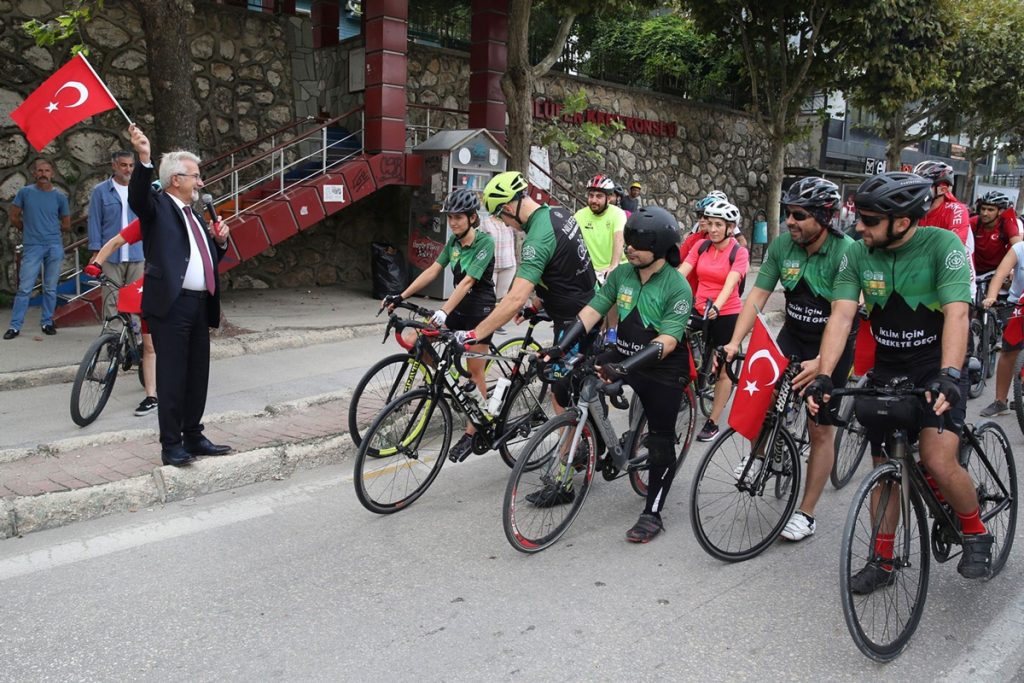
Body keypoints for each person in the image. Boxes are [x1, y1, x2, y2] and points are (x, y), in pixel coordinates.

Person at [806, 171, 993, 591]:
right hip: (889, 368)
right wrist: (824, 376)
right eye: (859, 217)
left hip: (936, 365)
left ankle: (975, 529)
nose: (859, 226)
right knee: (885, 466)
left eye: (870, 220)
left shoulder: (941, 246)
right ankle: (884, 560)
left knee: (938, 458)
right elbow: (841, 315)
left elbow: (957, 314)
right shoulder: (858, 253)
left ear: (903, 222)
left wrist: (949, 374)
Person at [536, 206, 692, 542]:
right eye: (629, 240)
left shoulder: (677, 286)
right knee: (565, 384)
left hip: (663, 366)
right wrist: (560, 348)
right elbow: (593, 311)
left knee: (661, 441)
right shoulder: (622, 274)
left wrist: (623, 369)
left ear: (660, 247)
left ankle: (653, 513)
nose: (629, 247)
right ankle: (592, 444)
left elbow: (667, 340)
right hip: (622, 351)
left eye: (638, 243)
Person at [723, 177, 853, 542]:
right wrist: (734, 342)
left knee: (819, 429)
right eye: (788, 213)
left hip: (831, 345)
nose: (789, 221)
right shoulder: (783, 245)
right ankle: (760, 457)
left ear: (824, 217)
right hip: (793, 334)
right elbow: (757, 296)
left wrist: (823, 364)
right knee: (763, 400)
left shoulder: (846, 252)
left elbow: (843, 316)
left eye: (799, 215)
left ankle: (806, 513)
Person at [127, 124, 232, 467]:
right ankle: (171, 444)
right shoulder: (157, 206)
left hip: (199, 305)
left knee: (197, 374)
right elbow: (137, 197)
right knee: (172, 377)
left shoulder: (195, 215)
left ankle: (193, 435)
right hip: (171, 305)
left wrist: (220, 242)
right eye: (195, 176)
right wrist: (144, 157)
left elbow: (205, 259)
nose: (200, 182)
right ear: (176, 179)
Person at [456, 171, 598, 407]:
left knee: (562, 398)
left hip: (573, 321)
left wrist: (474, 334)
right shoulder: (559, 213)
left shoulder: (536, 240)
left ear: (508, 208)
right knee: (584, 388)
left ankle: (584, 432)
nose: (506, 224)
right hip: (588, 306)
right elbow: (564, 266)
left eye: (501, 217)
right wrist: (540, 302)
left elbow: (515, 299)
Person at [383, 188, 497, 463]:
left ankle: (473, 432)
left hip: (480, 311)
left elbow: (468, 281)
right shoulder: (453, 243)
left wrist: (444, 311)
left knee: (475, 372)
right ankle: (449, 380)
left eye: (458, 217)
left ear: (472, 218)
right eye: (450, 217)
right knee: (418, 341)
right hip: (458, 306)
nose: (453, 222)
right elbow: (434, 270)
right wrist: (401, 295)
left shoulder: (485, 243)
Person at [678, 199, 749, 442]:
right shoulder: (701, 246)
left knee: (723, 369)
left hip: (725, 312)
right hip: (700, 309)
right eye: (710, 224)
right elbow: (682, 272)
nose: (713, 229)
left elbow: (731, 283)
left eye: (719, 225)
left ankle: (713, 421)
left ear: (731, 227)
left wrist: (717, 306)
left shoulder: (739, 252)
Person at [84, 216, 158, 416]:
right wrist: (97, 263)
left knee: (163, 342)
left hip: (169, 283)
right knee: (149, 345)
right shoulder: (147, 220)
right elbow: (116, 241)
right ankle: (151, 397)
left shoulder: (177, 219)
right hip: (149, 281)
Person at [4, 158, 70, 340]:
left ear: (52, 174)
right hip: (32, 246)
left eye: (47, 171)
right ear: (34, 173)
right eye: (40, 170)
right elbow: (14, 216)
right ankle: (15, 326)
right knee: (25, 288)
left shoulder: (60, 197)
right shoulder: (25, 193)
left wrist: (50, 229)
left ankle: (47, 322)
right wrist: (27, 229)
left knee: (50, 288)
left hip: (54, 246)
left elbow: (66, 224)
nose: (43, 174)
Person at [88, 150, 144, 323]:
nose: (128, 169)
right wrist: (96, 253)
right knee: (111, 298)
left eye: (131, 165)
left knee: (136, 298)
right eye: (123, 165)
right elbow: (95, 222)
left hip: (137, 254)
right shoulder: (100, 191)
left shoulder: (141, 189)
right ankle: (113, 335)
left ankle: (136, 336)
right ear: (114, 166)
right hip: (111, 255)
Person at [978, 237, 1024, 417]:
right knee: (1009, 350)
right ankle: (1000, 401)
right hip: (1017, 304)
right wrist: (991, 296)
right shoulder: (1019, 248)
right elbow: (1000, 274)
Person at [574, 174, 627, 282]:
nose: (594, 200)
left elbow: (619, 238)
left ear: (608, 198)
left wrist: (614, 265)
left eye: (599, 196)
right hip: (590, 271)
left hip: (616, 269)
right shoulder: (579, 215)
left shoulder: (618, 214)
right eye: (591, 195)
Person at [971, 190, 1020, 277]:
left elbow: (1019, 248)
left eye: (990, 210)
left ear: (1000, 211)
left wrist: (1012, 269)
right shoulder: (974, 222)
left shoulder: (1006, 224)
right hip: (973, 271)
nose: (985, 213)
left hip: (997, 272)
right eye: (983, 209)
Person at [477, 208, 516, 299]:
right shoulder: (485, 222)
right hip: (491, 266)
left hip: (508, 265)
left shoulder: (510, 222)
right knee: (490, 296)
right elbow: (479, 243)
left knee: (502, 297)